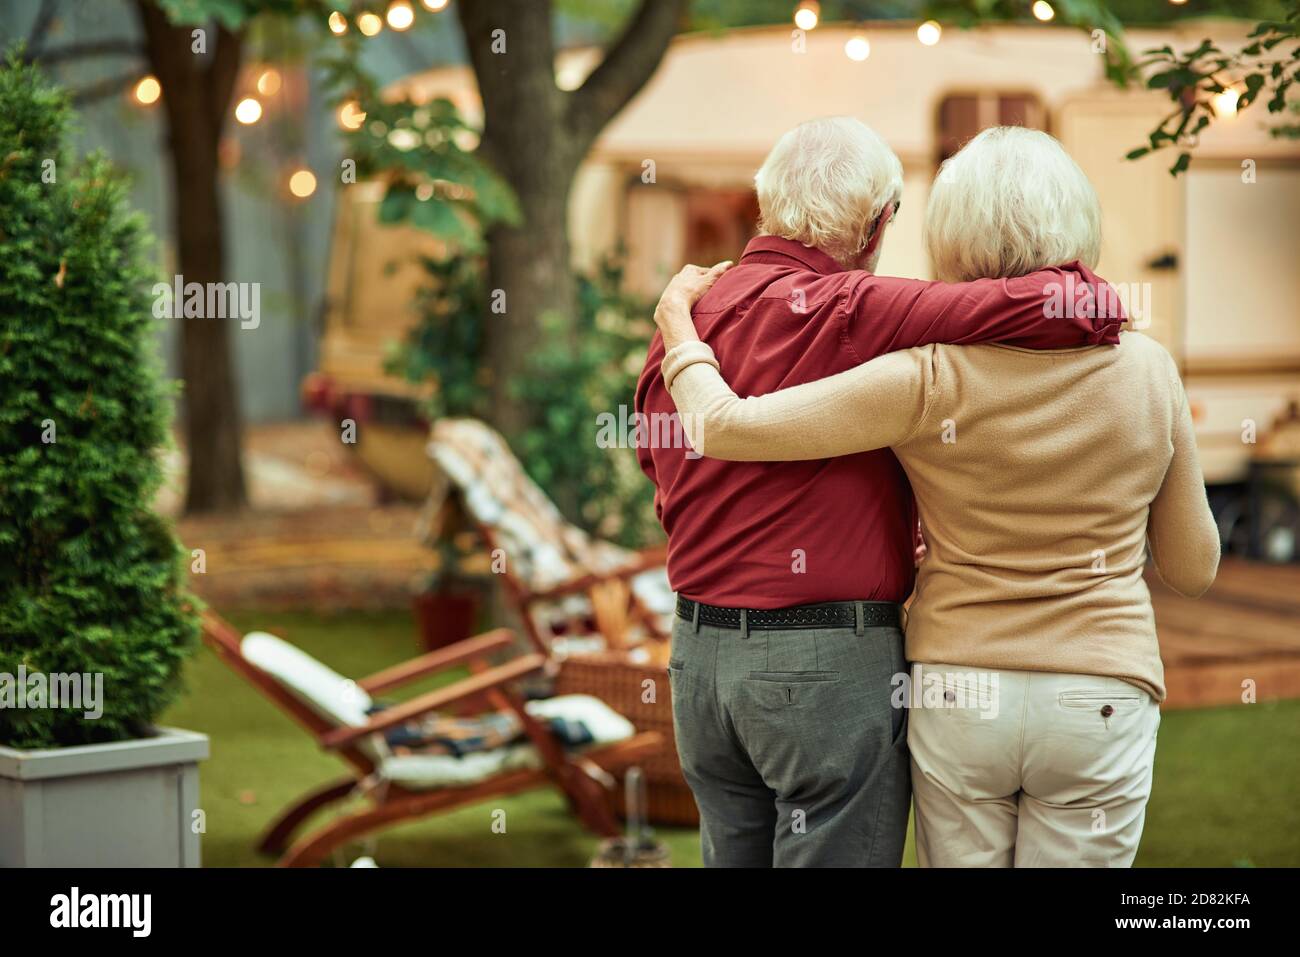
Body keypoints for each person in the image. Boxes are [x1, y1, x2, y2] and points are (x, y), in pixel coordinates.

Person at [651, 126, 1220, 867]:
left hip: (955, 686)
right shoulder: (1148, 369)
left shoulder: (922, 375)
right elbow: (1193, 566)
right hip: (1100, 688)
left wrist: (675, 328)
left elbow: (708, 433)